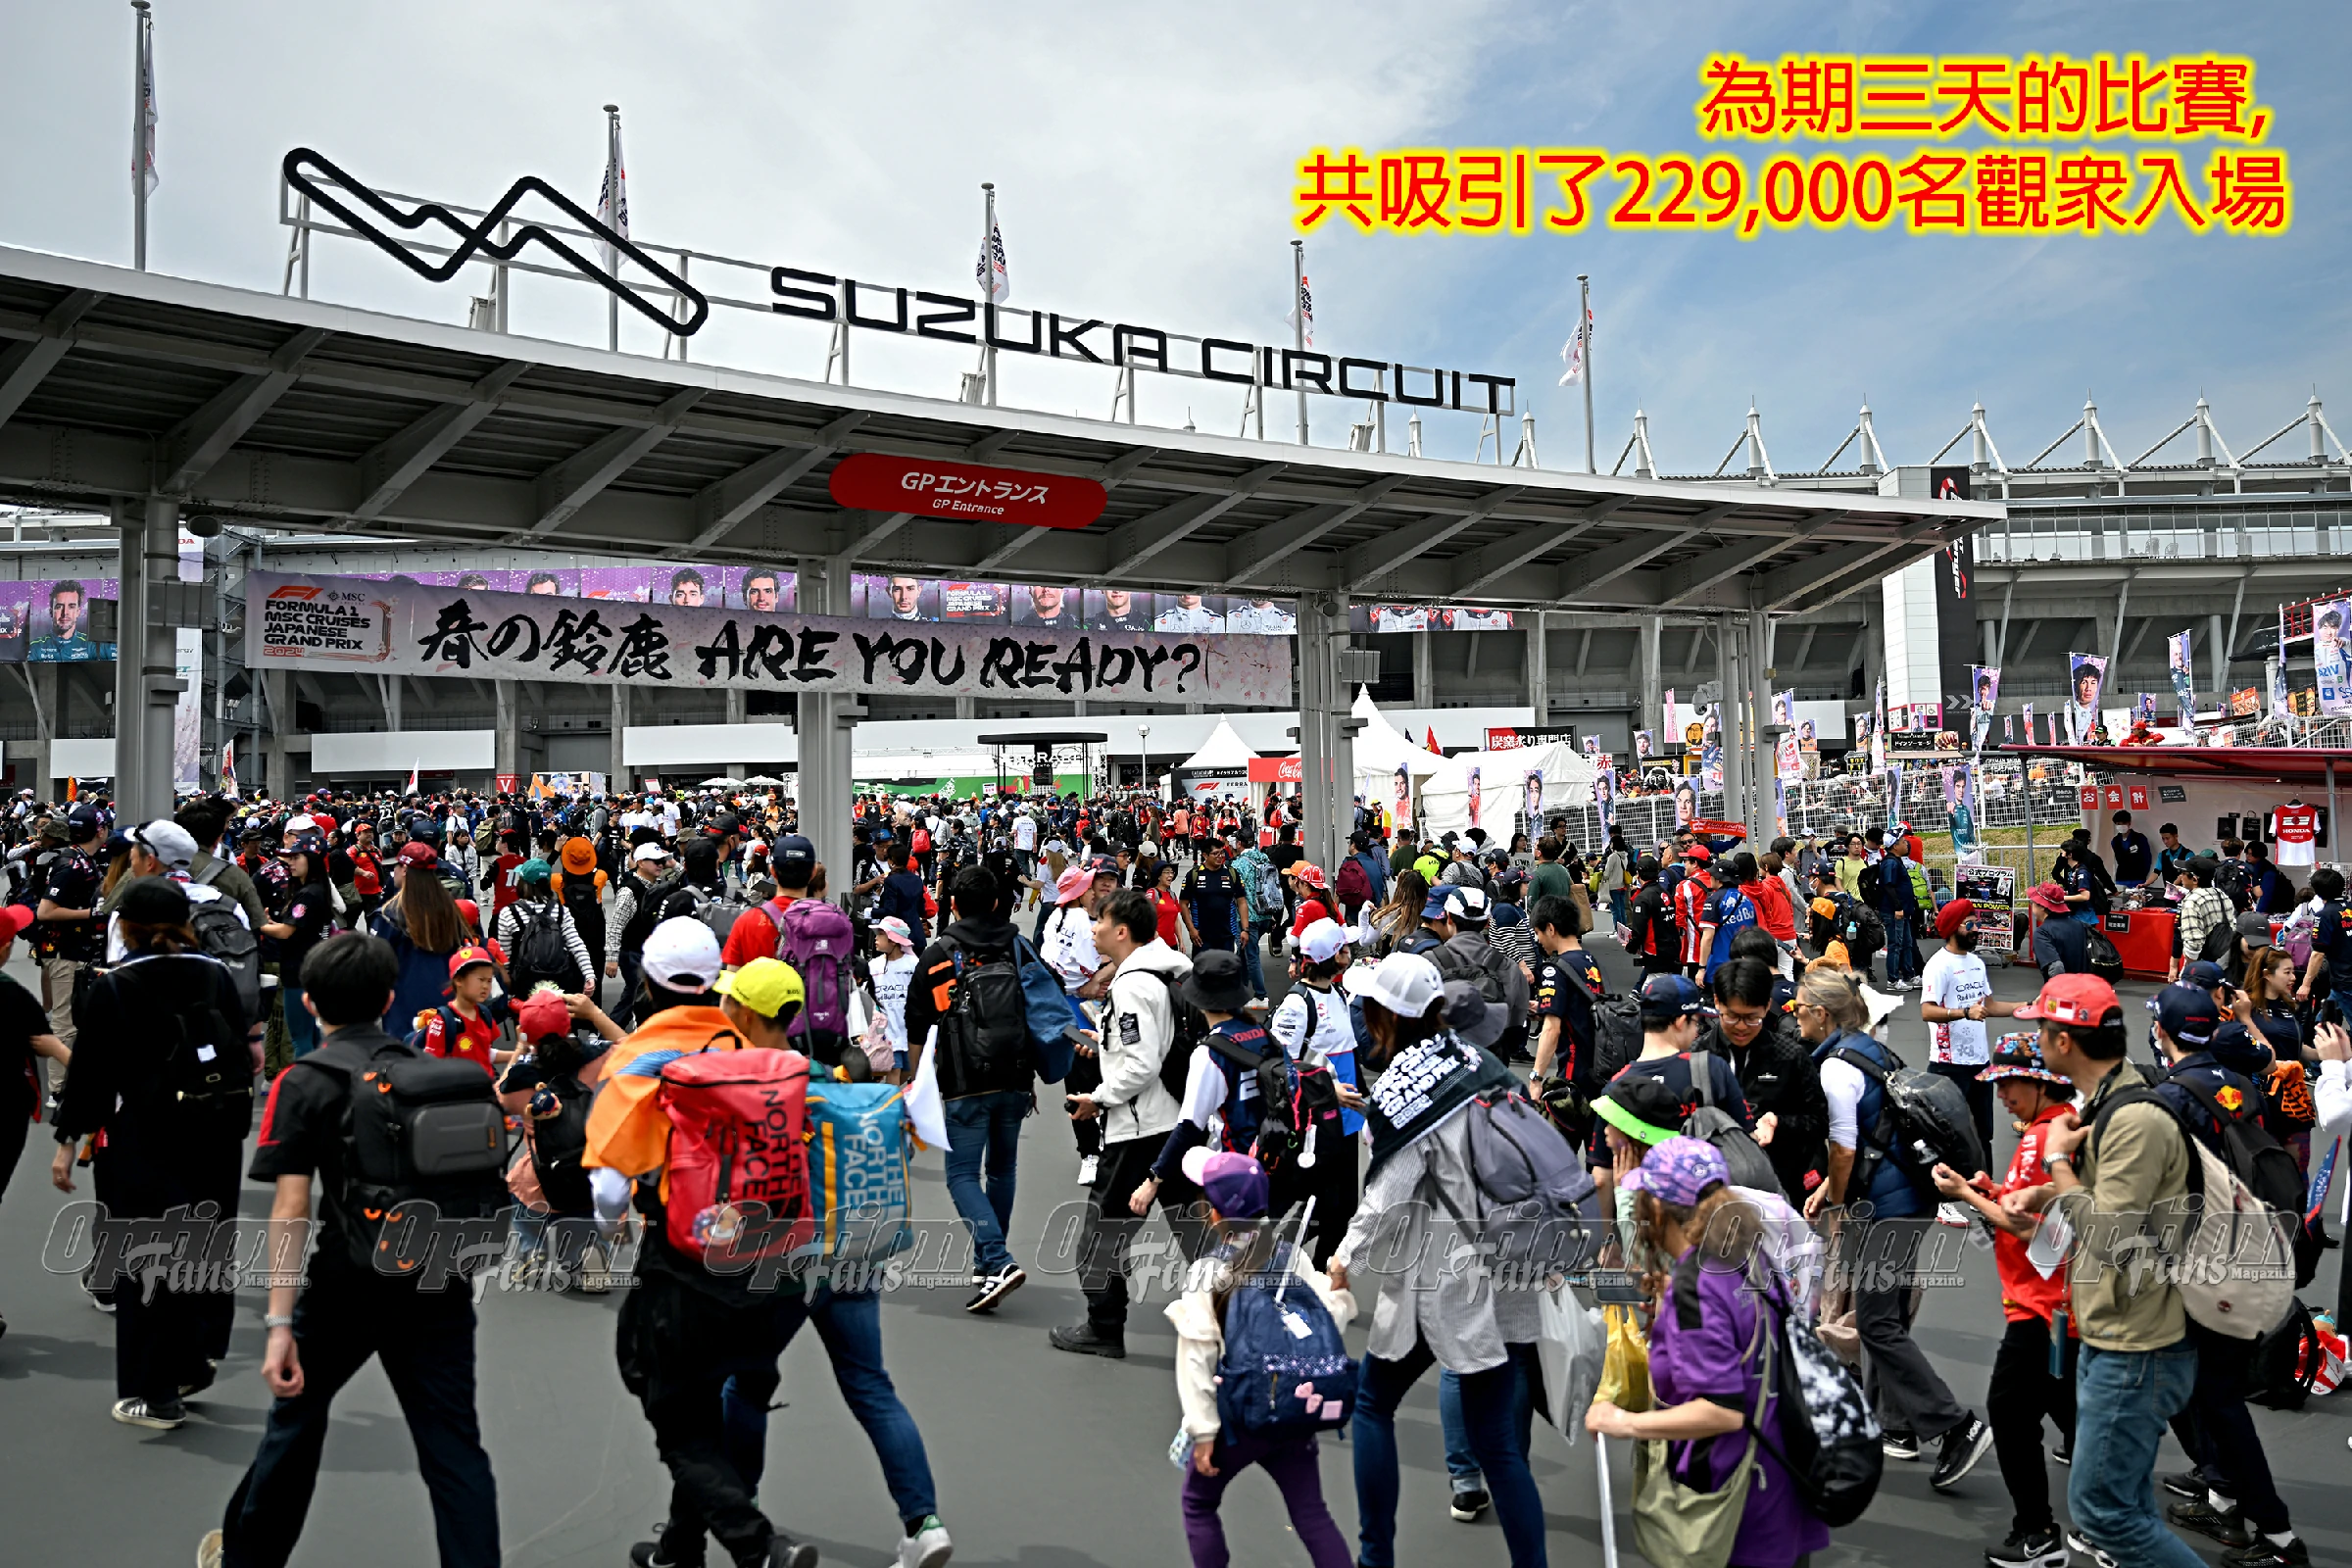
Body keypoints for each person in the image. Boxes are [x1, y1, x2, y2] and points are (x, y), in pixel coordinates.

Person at [199, 933, 501, 1568]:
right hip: (436, 1279)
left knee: (295, 1427)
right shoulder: (436, 1074)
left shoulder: (305, 1081)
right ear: (389, 1000)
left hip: (345, 1282)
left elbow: (291, 1209)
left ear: (310, 1002)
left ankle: (247, 1558)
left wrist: (279, 1324)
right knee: (454, 1449)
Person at [579, 924, 824, 1568]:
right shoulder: (744, 1041)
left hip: (682, 1257)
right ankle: (679, 1547)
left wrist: (612, 1230)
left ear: (647, 980)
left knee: (669, 1404)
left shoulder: (637, 1057)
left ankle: (759, 1546)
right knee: (707, 1398)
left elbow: (609, 1192)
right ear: (717, 980)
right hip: (766, 1250)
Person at [709, 958, 955, 1568]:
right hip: (853, 1252)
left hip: (785, 1261)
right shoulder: (827, 1077)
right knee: (871, 1387)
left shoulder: (751, 1085)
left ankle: (742, 1508)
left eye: (730, 1002)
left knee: (746, 1381)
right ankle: (924, 1523)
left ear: (746, 1014)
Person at [1326, 952, 1551, 1568]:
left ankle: (1375, 1558)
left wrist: (1343, 1259)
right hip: (1511, 1258)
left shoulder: (1401, 1086)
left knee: (1372, 1404)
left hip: (1445, 1269)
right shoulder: (1479, 1062)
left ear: (1383, 1015)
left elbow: (1388, 1197)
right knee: (1499, 1446)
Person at [50, 877, 257, 1430]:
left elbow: (90, 1076)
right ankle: (196, 1354)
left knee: (144, 1259)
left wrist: (68, 1142)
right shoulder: (215, 974)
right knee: (205, 1244)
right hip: (214, 1132)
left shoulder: (116, 986)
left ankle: (154, 1392)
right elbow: (238, 1048)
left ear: (126, 927)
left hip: (145, 1135)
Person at [2024, 973, 2208, 1568]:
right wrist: (2046, 1194)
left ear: (2063, 1042)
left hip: (2137, 1342)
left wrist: (2057, 1161)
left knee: (2102, 1510)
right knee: (2127, 1503)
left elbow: (2111, 1236)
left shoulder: (2131, 1119)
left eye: (2041, 1029)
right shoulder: (2108, 1102)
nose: (2037, 1040)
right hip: (2116, 1328)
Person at [1585, 1137, 1832, 1568]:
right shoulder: (1745, 1257)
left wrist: (1622, 1421)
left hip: (1736, 1501)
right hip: (1784, 1475)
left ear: (1657, 1209)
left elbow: (1721, 1411)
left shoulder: (1695, 1288)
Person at [1796, 963, 1993, 1488]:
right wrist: (1830, 1190)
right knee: (1889, 1317)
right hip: (1912, 1195)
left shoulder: (1835, 1068)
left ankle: (1956, 1426)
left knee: (1877, 1323)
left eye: (1800, 1008)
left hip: (1885, 1210)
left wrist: (1837, 1203)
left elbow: (1845, 1149)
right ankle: (1899, 1426)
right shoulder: (1872, 1051)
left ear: (1822, 1014)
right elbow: (1878, 1132)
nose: (1795, 1018)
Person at [2138, 994, 2309, 1567]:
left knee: (2213, 1398)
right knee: (2207, 1392)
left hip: (2202, 1263)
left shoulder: (2170, 1098)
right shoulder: (2237, 1083)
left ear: (2162, 1032)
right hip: (2249, 1246)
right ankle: (2223, 1497)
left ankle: (2278, 1537)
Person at [1927, 1034, 2081, 1568]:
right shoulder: (2054, 1127)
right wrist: (1990, 1191)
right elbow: (2033, 1210)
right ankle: (2109, 1514)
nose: (2001, 1096)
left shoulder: (2044, 1138)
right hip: (2056, 1305)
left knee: (2011, 1414)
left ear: (2040, 1082)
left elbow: (2030, 1226)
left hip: (2042, 1305)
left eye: (2010, 1084)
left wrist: (1968, 1196)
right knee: (2073, 1410)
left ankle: (2038, 1533)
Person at [1168, 1148, 1357, 1568]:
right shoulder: (1293, 1258)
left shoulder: (1206, 1273)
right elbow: (1328, 1323)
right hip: (1291, 1405)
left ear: (1214, 1215)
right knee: (1311, 1513)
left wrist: (1203, 1431)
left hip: (1237, 1417)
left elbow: (1196, 1356)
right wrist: (1339, 1291)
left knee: (1199, 1504)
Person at [1052, 887, 1202, 1357]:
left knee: (1099, 1237)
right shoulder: (1165, 971)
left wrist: (1097, 1098)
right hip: (1173, 1124)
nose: (1093, 928)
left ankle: (1104, 1327)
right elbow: (1146, 1047)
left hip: (1138, 1130)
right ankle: (1243, 1317)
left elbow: (1140, 1064)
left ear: (1121, 931)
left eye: (1099, 920)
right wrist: (1105, 1042)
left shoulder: (1132, 985)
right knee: (1197, 1236)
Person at [904, 865, 1035, 1313]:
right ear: (997, 903)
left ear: (953, 905)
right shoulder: (1017, 946)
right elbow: (1042, 1002)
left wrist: (915, 1081)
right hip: (1016, 1075)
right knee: (1002, 1169)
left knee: (961, 1175)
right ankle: (989, 1263)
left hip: (963, 1079)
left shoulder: (938, 954)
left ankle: (996, 1260)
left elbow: (916, 1023)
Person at [1263, 917, 1363, 1266]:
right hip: (1316, 1125)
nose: (1350, 951)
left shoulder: (1337, 991)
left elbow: (1346, 1055)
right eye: (1344, 948)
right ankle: (1271, 1260)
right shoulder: (1298, 1003)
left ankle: (1319, 1275)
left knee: (1342, 1208)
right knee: (1318, 1206)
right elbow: (1280, 1066)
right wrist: (1329, 1089)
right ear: (1332, 957)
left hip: (1346, 1122)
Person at [1698, 956, 1827, 1200]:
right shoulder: (1698, 1056)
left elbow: (1819, 1121)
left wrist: (1779, 1123)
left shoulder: (1791, 1056)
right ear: (1717, 1003)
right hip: (1715, 1189)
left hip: (1781, 1188)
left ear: (1767, 1006)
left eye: (1752, 1018)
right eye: (1731, 1016)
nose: (1741, 1027)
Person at [1919, 898, 2018, 1150]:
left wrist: (2029, 1005)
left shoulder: (1976, 963)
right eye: (1970, 924)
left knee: (1983, 1137)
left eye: (1977, 923)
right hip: (1948, 1065)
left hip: (1980, 1063)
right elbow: (1927, 1011)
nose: (1977, 929)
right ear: (1954, 928)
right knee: (1949, 1138)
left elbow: (1990, 1006)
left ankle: (1985, 1175)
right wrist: (1964, 1012)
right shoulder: (1938, 965)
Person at [372, 842, 468, 1036]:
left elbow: (376, 967)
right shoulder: (450, 909)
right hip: (448, 1004)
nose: (393, 872)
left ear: (405, 869)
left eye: (396, 866)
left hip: (404, 1009)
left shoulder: (388, 915)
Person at [550, 836, 609, 1001]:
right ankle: (593, 1008)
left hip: (569, 929)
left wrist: (556, 851)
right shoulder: (599, 877)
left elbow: (542, 869)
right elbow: (600, 865)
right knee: (595, 968)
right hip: (595, 931)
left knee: (571, 972)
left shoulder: (558, 881)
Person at [2110, 810, 2153, 885]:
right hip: (2121, 878)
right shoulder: (2115, 841)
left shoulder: (2140, 838)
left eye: (2123, 823)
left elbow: (2147, 858)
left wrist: (2143, 873)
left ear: (2129, 823)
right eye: (2118, 824)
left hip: (2138, 878)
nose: (2121, 826)